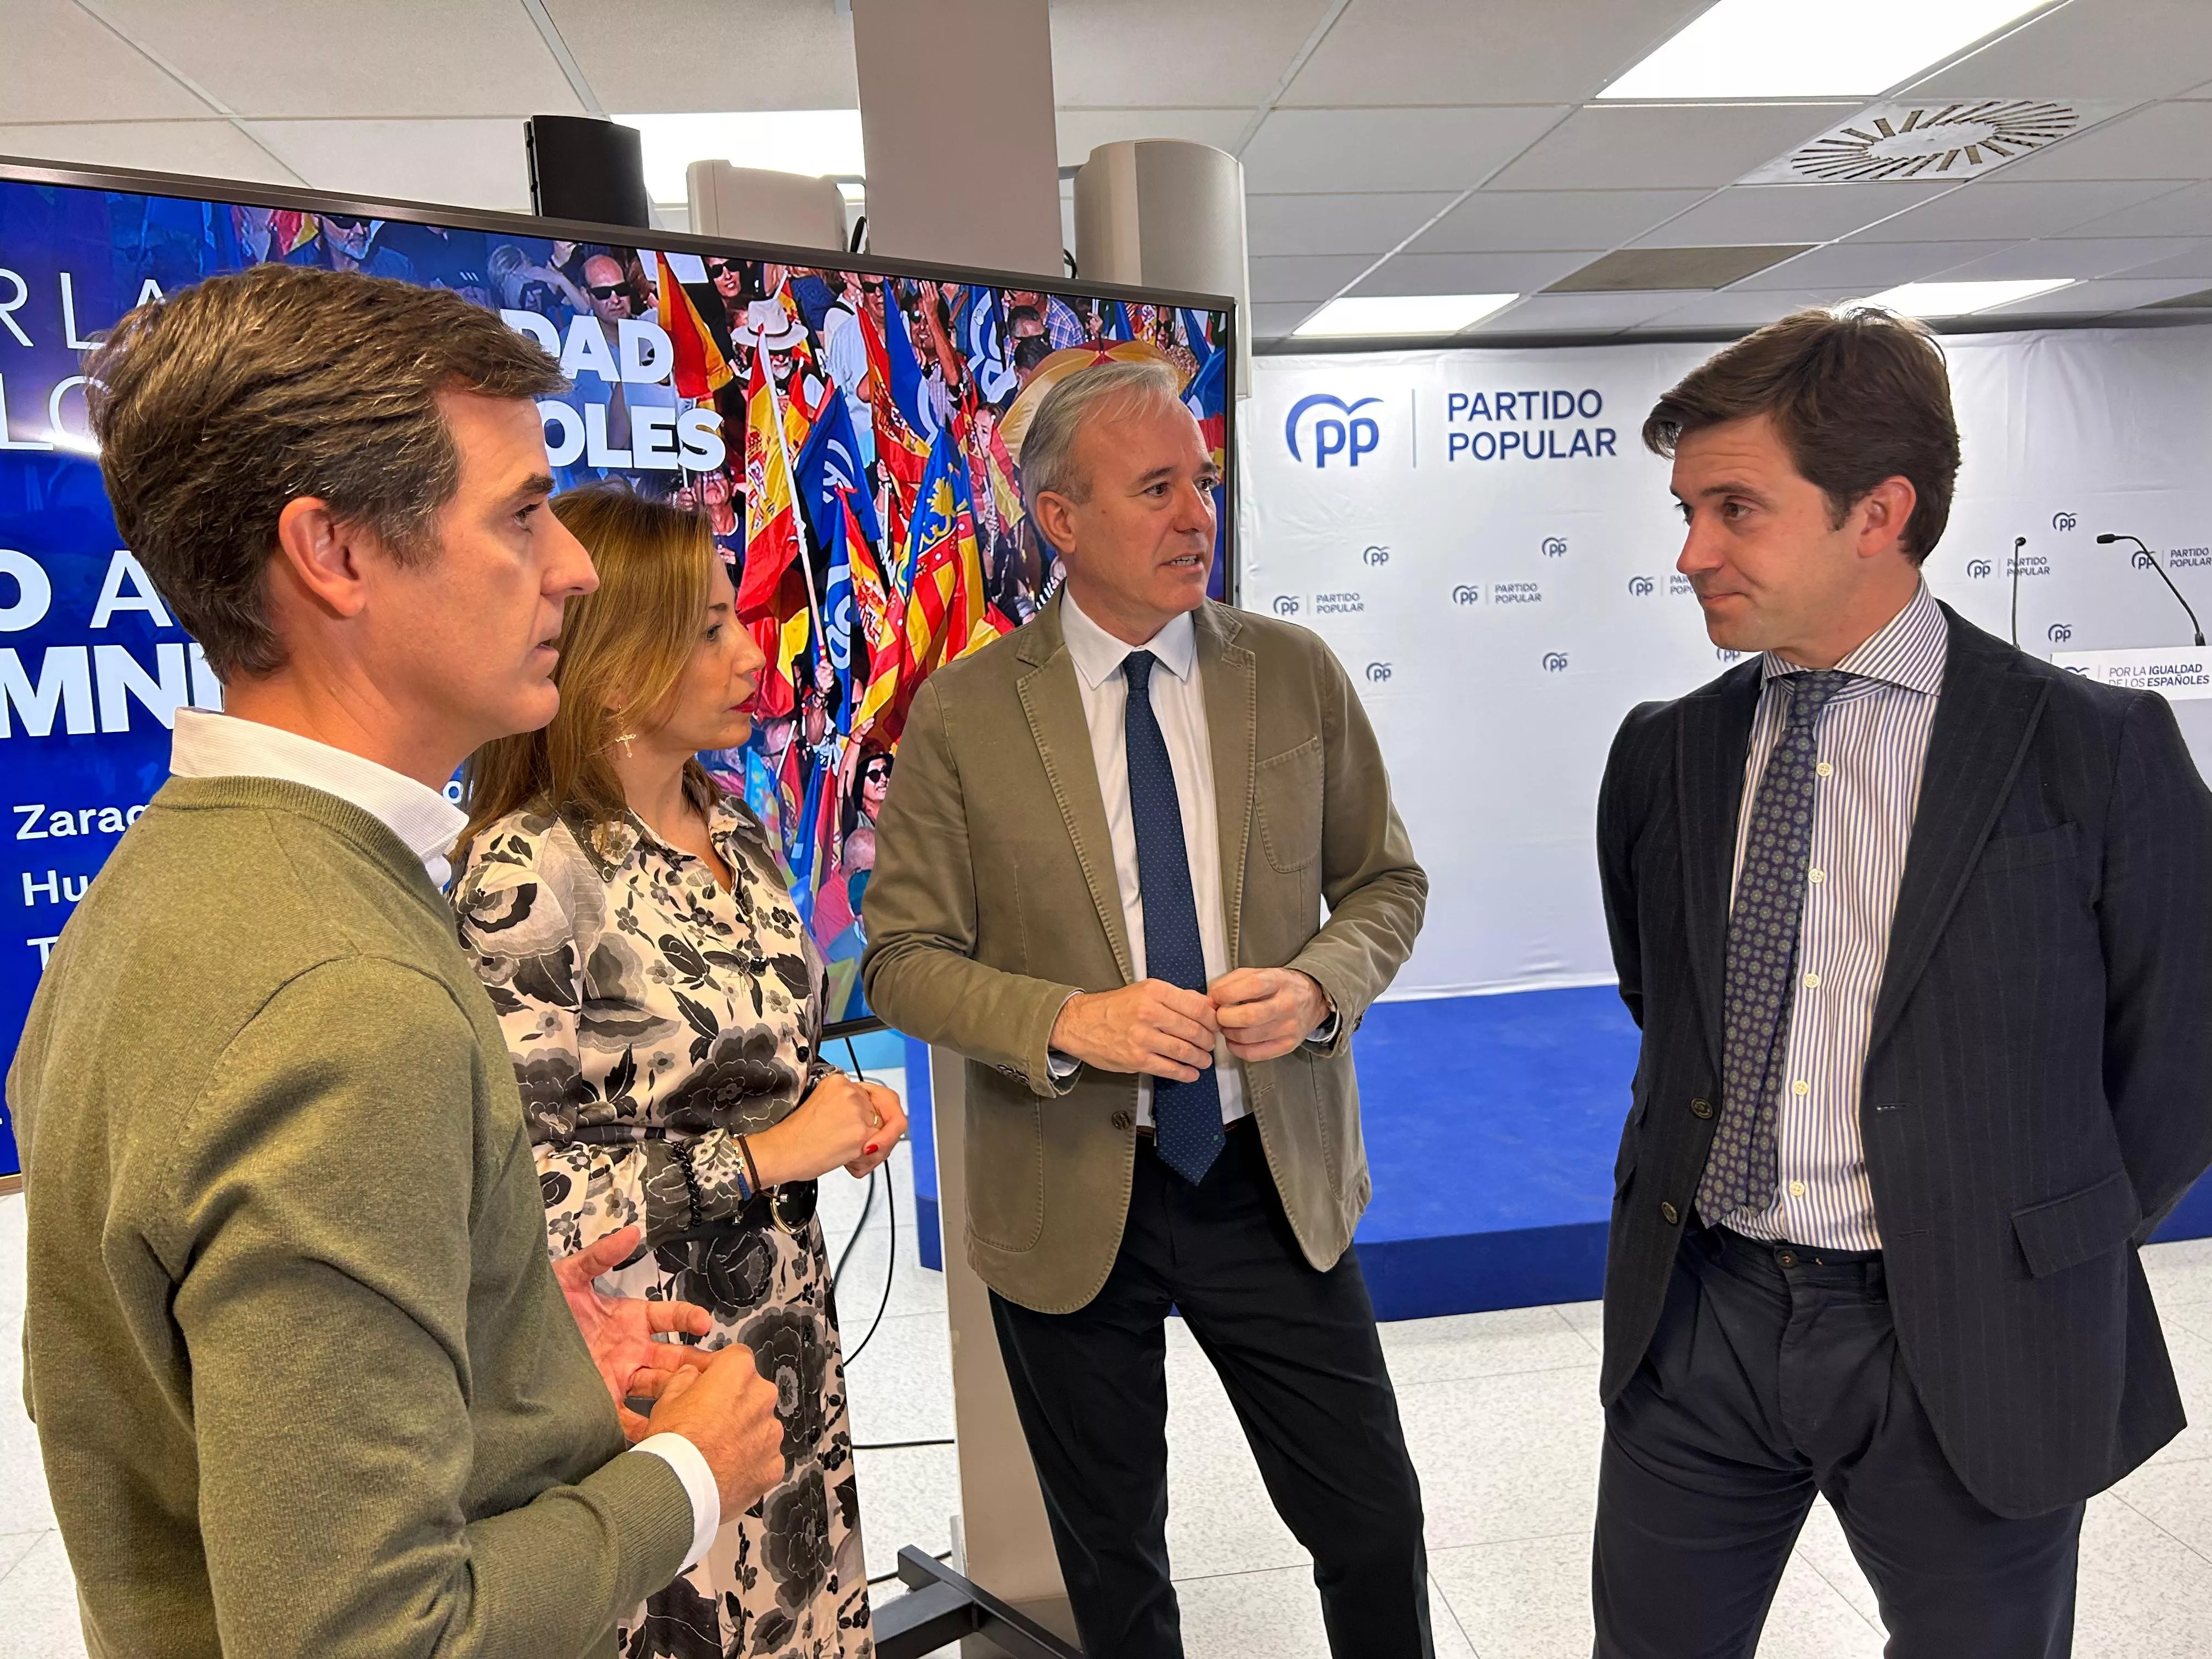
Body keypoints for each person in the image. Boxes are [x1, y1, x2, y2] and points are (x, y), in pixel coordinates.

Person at [8, 263, 787, 1658]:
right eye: (523, 514)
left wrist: (493, 1343)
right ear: (336, 554)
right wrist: (685, 1482)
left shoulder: (171, 889)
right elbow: (365, 1636)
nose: (578, 568)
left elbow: (201, 1378)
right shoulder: (339, 996)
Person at [1592, 307, 2212, 1657]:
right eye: (1688, 508)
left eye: (1736, 509)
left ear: (1879, 513)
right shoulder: (1667, 757)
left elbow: (2178, 1060)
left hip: (1973, 1335)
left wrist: (2030, 1241)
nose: (1691, 552)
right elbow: (1669, 1005)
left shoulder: (2093, 752)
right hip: (1702, 1315)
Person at [862, 359, 1434, 1658]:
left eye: (1204, 485)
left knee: (1370, 1523)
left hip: (1267, 1176)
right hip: (1067, 1186)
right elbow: (900, 958)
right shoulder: (962, 713)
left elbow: (1385, 884)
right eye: (1158, 488)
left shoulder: (1292, 674)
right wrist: (1070, 1021)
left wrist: (1320, 988)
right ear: (1058, 520)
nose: (1197, 518)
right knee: (1113, 1564)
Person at [454, 486, 905, 1658]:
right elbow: (517, 1207)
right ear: (610, 666)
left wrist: (830, 1112)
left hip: (784, 1345)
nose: (752, 653)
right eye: (708, 628)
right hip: (640, 1364)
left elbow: (756, 1068)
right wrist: (763, 1153)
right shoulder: (529, 879)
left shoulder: (739, 827)